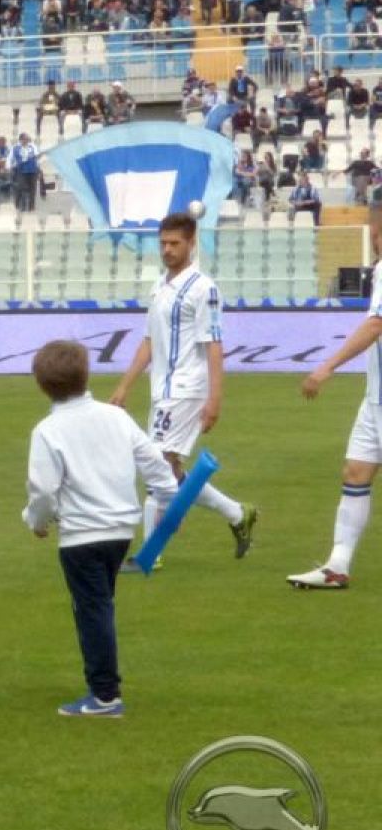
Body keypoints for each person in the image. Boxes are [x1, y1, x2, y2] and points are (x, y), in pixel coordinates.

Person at [24, 341, 179, 717]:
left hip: (81, 535)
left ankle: (105, 694)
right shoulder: (116, 417)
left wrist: (37, 521)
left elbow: (43, 489)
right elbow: (154, 462)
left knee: (92, 610)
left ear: (42, 385)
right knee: (99, 605)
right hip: (120, 531)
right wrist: (169, 499)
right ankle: (103, 687)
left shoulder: (47, 430)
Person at [107, 212, 257, 568]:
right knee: (169, 470)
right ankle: (238, 514)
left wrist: (215, 398)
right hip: (163, 388)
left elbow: (214, 343)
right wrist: (124, 386)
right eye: (163, 243)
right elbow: (149, 340)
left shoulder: (203, 289)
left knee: (156, 463)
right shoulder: (160, 285)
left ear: (191, 243)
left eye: (175, 243)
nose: (167, 250)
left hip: (187, 388)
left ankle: (149, 555)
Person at [291, 225, 382, 589]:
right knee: (355, 473)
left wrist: (327, 366)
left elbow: (376, 325)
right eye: (376, 232)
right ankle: (337, 566)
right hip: (374, 398)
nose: (376, 238)